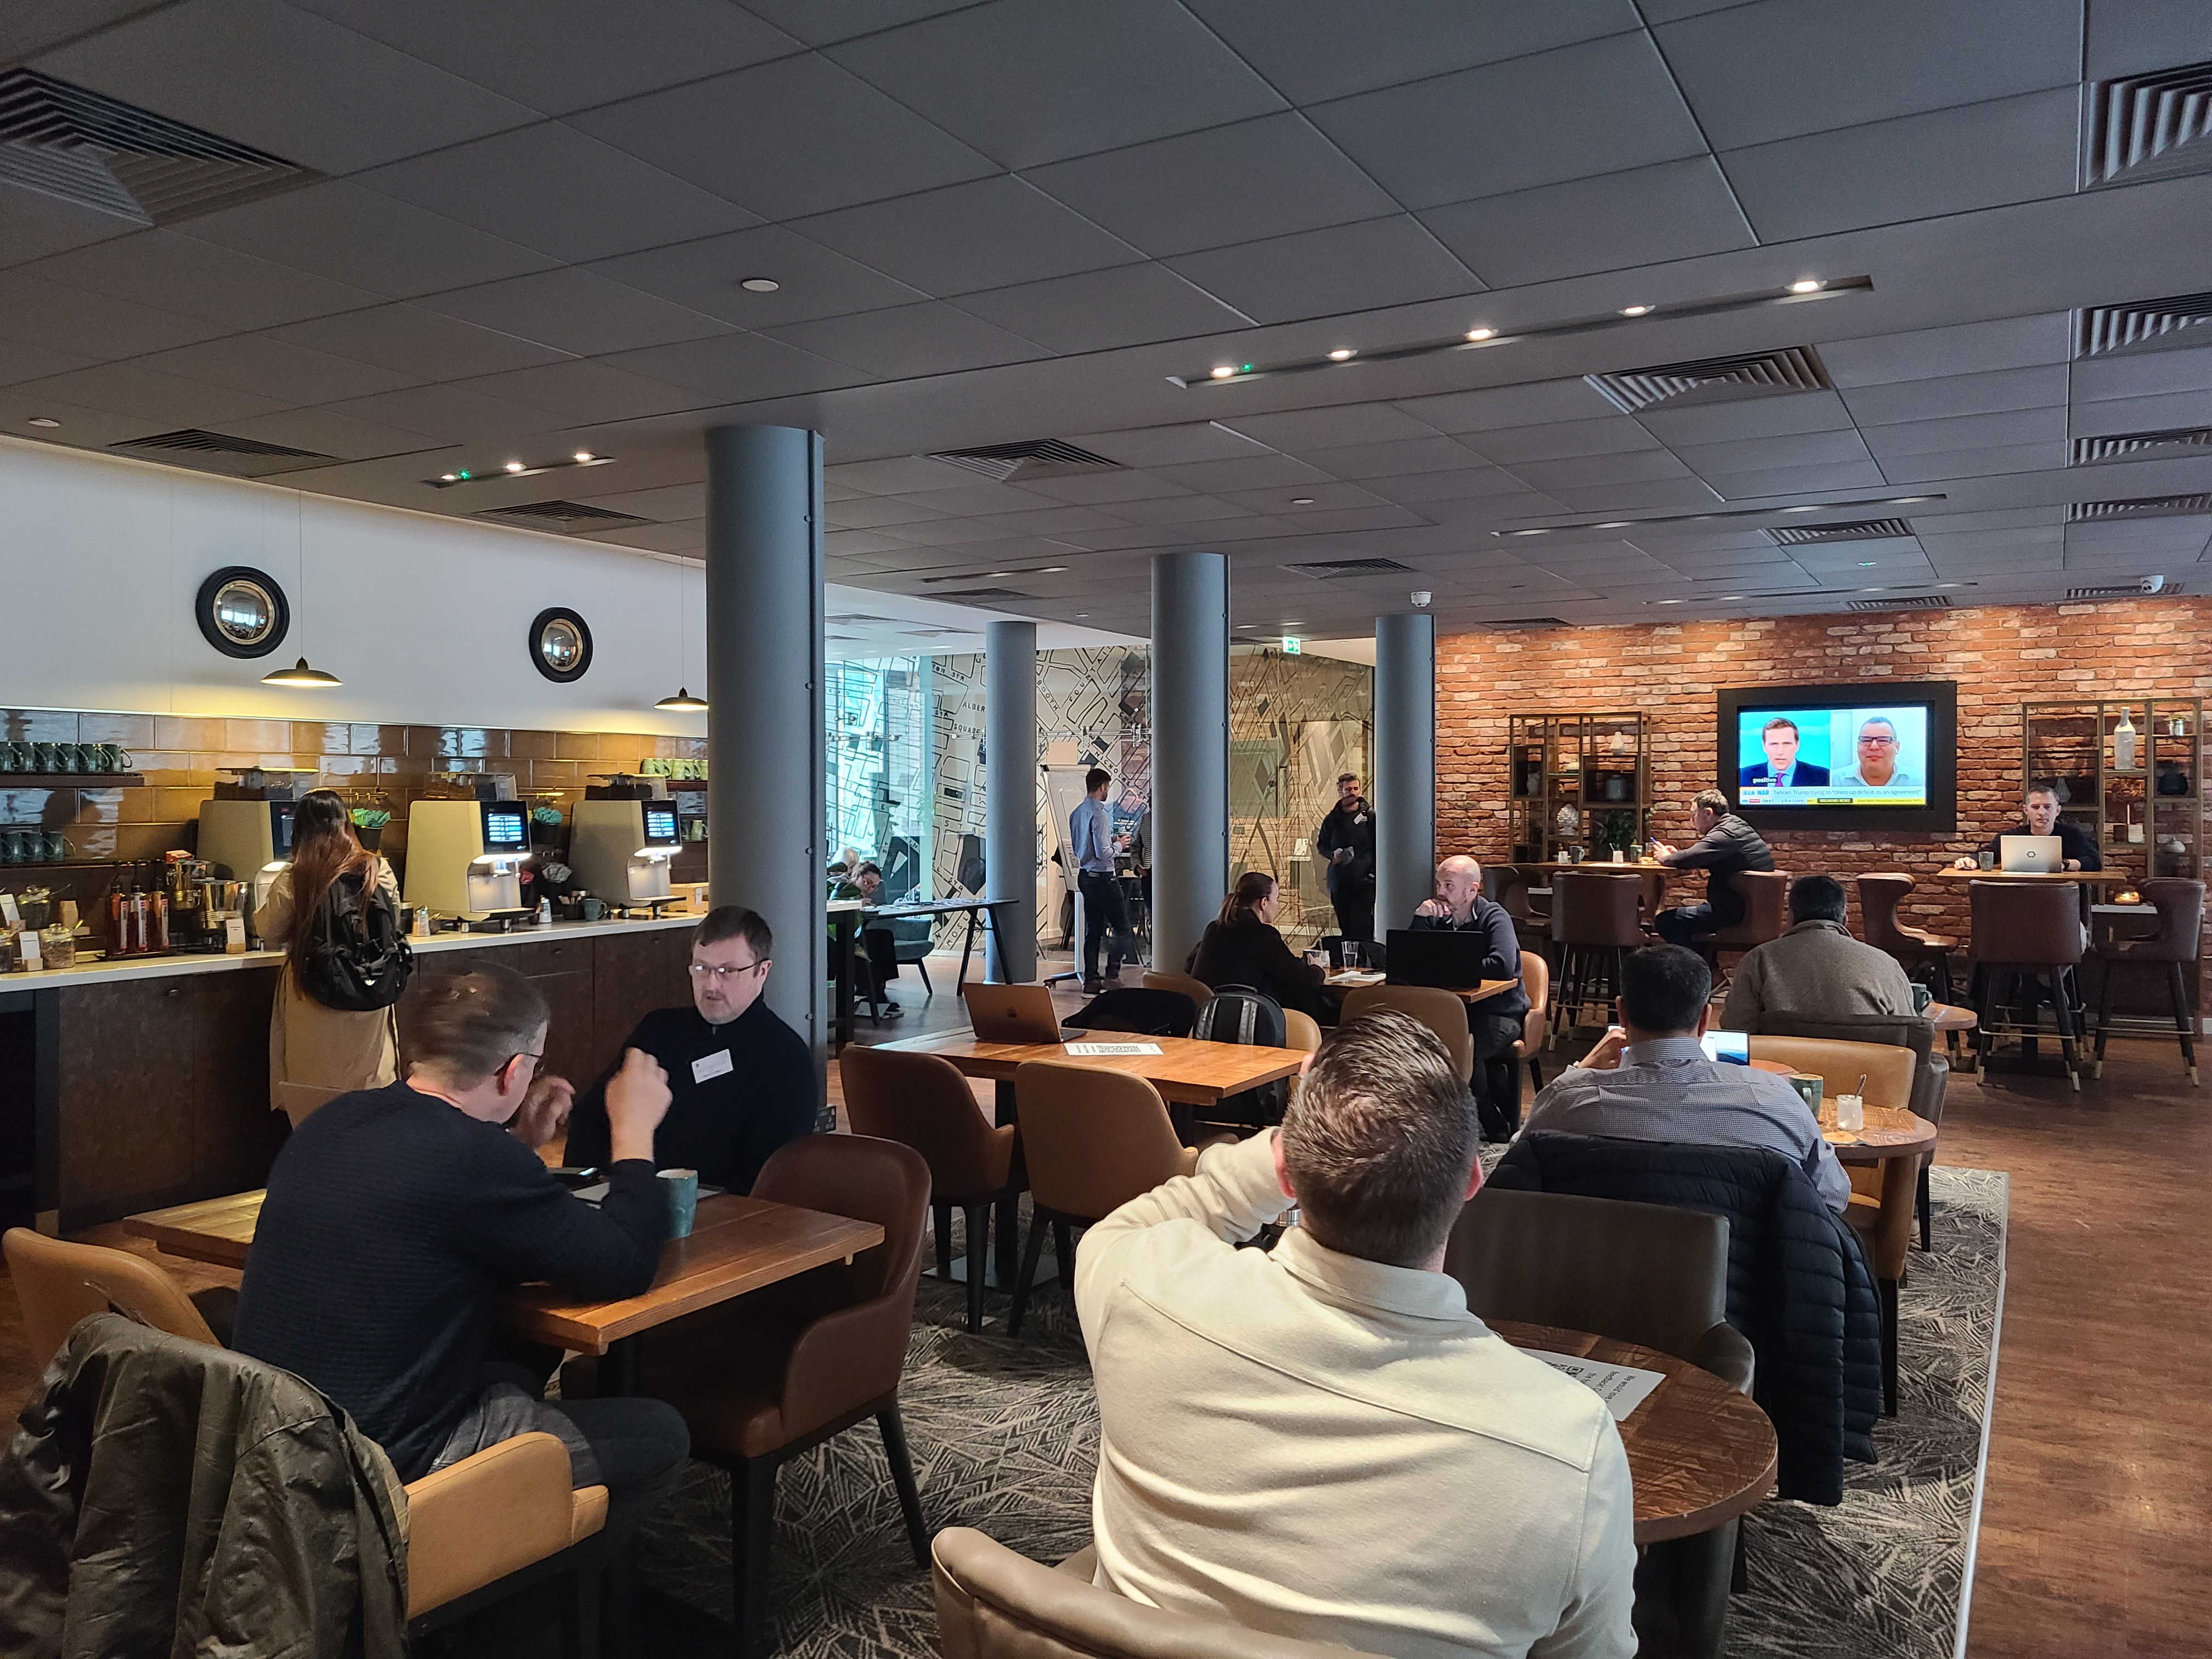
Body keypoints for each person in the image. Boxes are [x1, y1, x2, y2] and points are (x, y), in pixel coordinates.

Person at [1076, 1011, 1637, 1658]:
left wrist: (1287, 1142)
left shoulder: (1142, 1287)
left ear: (1285, 1173)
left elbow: (1149, 1219)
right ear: (1471, 1181)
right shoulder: (1571, 1449)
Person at [233, 964, 690, 1551]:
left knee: (519, 1358)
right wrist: (634, 1132)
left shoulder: (332, 1121)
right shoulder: (475, 1160)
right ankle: (536, 1592)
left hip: (278, 1447)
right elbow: (624, 1263)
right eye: (536, 1065)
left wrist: (519, 1144)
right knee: (659, 1437)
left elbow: (440, 1206)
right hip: (382, 1471)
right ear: (513, 1072)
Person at [1522, 945, 1850, 1212]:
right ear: (1705, 1018)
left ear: (1622, 1014)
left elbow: (1517, 1167)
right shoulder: (1778, 1101)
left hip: (1595, 1269)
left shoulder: (1566, 1101)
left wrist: (1581, 1072)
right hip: (1742, 1272)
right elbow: (1834, 1196)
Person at [565, 905, 816, 1193]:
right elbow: (592, 1119)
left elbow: (769, 1176)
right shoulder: (658, 1029)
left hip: (720, 1208)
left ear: (762, 972)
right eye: (702, 968)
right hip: (623, 1194)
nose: (711, 985)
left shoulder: (786, 1060)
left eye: (728, 971)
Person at [253, 788, 405, 1127]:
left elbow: (269, 931)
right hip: (371, 990)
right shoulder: (376, 869)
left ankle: (322, 1152)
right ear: (346, 824)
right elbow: (393, 920)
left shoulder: (298, 876)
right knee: (371, 1090)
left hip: (314, 993)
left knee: (318, 1098)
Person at [1411, 854, 1531, 1137]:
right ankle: (1439, 1124)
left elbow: (1503, 966)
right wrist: (1419, 920)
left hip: (1500, 1012)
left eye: (1449, 886)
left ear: (1472, 890)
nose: (1440, 892)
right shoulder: (1437, 917)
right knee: (1423, 1043)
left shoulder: (1494, 917)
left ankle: (1488, 1121)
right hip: (1455, 1012)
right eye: (1439, 884)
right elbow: (1412, 959)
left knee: (1464, 1047)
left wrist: (1446, 969)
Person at [1720, 874, 1918, 1028]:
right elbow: (1909, 1030)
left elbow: (1735, 1026)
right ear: (1845, 920)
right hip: (1867, 1068)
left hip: (1779, 1067)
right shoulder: (1885, 964)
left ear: (1791, 918)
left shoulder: (1759, 960)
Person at [1187, 871, 1326, 1018]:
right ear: (1264, 903)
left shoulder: (1215, 928)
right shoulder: (1264, 936)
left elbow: (1190, 965)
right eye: (1277, 899)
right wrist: (1317, 968)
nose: (1278, 905)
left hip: (1208, 1017)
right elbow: (1306, 980)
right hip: (1249, 1019)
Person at [1650, 788, 1775, 947]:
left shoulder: (1725, 835)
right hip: (1753, 912)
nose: (1691, 820)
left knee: (1666, 921)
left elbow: (1689, 858)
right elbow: (1700, 857)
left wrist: (1665, 858)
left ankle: (1693, 962)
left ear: (1708, 813)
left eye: (1694, 814)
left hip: (1734, 914)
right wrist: (1677, 856)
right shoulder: (1737, 826)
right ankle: (1704, 961)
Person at [1071, 766, 1135, 994]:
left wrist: (1110, 839)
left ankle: (1091, 980)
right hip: (1104, 879)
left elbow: (1084, 846)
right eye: (1107, 787)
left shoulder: (1077, 813)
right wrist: (1119, 845)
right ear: (1102, 786)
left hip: (1085, 876)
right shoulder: (1100, 815)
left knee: (1094, 930)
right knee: (1123, 929)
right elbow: (1103, 853)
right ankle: (1112, 975)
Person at [1952, 780, 2102, 872]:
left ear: (2057, 811)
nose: (2042, 813)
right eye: (2036, 807)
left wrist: (2065, 864)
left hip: (2060, 897)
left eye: (2048, 807)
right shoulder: (2011, 836)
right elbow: (1988, 852)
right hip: (2021, 895)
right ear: (2026, 810)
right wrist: (1971, 860)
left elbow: (2094, 862)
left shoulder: (2072, 835)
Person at [1313, 772, 1376, 944]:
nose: (1353, 793)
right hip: (1340, 882)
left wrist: (1372, 875)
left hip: (1364, 882)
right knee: (1346, 928)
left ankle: (1366, 957)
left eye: (1356, 788)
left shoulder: (1370, 817)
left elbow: (1378, 847)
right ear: (1340, 792)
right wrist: (1333, 855)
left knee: (1362, 928)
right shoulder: (1332, 820)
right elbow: (1322, 845)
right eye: (1348, 790)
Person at [834, 859, 902, 1014]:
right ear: (858, 875)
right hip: (841, 934)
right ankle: (871, 990)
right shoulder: (840, 886)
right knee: (872, 941)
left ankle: (878, 989)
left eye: (874, 886)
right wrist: (857, 903)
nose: (870, 889)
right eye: (867, 883)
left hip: (859, 932)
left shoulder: (868, 894)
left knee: (884, 937)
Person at [1739, 716, 1829, 788]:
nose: (1780, 752)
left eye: (1787, 744)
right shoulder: (1743, 775)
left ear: (1797, 745)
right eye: (1774, 744)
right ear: (1764, 746)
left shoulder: (1823, 776)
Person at [1835, 716, 1917, 790]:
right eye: (1866, 740)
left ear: (1897, 747)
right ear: (1858, 746)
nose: (1874, 747)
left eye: (1883, 740)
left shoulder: (1919, 781)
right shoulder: (1834, 780)